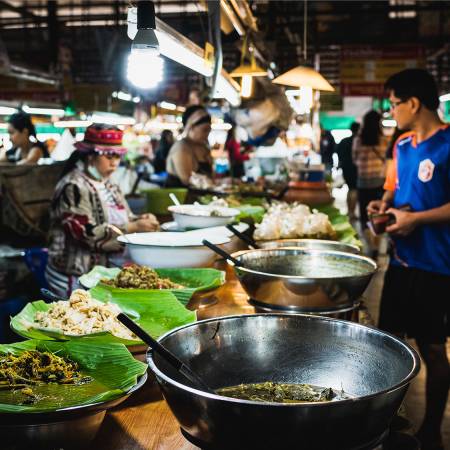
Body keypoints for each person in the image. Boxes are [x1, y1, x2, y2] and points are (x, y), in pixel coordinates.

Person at [368, 69, 450, 450]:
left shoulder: (449, 143)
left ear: (413, 103)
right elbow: (393, 190)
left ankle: (432, 428)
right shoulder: (401, 145)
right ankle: (384, 423)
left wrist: (416, 219)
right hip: (401, 262)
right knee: (389, 342)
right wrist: (382, 209)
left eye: (394, 104)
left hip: (438, 266)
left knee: (433, 348)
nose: (392, 111)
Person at [46, 124, 159, 297]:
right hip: (75, 275)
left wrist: (142, 219)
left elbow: (126, 216)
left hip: (102, 273)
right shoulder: (73, 186)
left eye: (117, 156)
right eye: (108, 156)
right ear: (90, 156)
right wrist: (133, 227)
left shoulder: (109, 184)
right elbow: (84, 232)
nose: (114, 162)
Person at [352, 110, 389, 239]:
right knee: (378, 214)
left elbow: (355, 160)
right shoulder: (383, 140)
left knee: (364, 214)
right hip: (379, 182)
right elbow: (386, 160)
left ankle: (369, 244)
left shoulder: (358, 140)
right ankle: (377, 242)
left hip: (362, 181)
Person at [165, 105, 213, 187]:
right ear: (191, 127)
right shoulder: (181, 147)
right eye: (204, 130)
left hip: (201, 197)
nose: (207, 134)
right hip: (180, 197)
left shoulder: (204, 147)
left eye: (209, 130)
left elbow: (211, 176)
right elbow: (186, 180)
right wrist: (213, 183)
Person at [337, 122, 360, 220]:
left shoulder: (343, 141)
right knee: (354, 190)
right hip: (355, 169)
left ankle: (349, 211)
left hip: (345, 168)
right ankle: (352, 212)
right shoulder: (359, 141)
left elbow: (337, 152)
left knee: (350, 189)